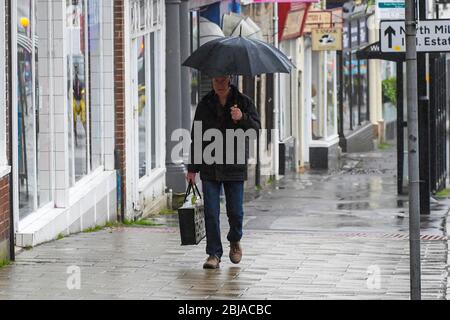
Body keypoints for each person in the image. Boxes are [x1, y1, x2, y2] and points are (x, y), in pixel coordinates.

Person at [187, 75, 261, 269]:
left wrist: (242, 118)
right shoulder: (205, 104)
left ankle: (235, 240)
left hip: (234, 165)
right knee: (211, 211)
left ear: (229, 79)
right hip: (210, 165)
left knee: (235, 212)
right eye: (215, 80)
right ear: (211, 81)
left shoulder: (244, 102)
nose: (219, 84)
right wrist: (192, 168)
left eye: (222, 80)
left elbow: (256, 131)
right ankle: (214, 253)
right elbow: (197, 135)